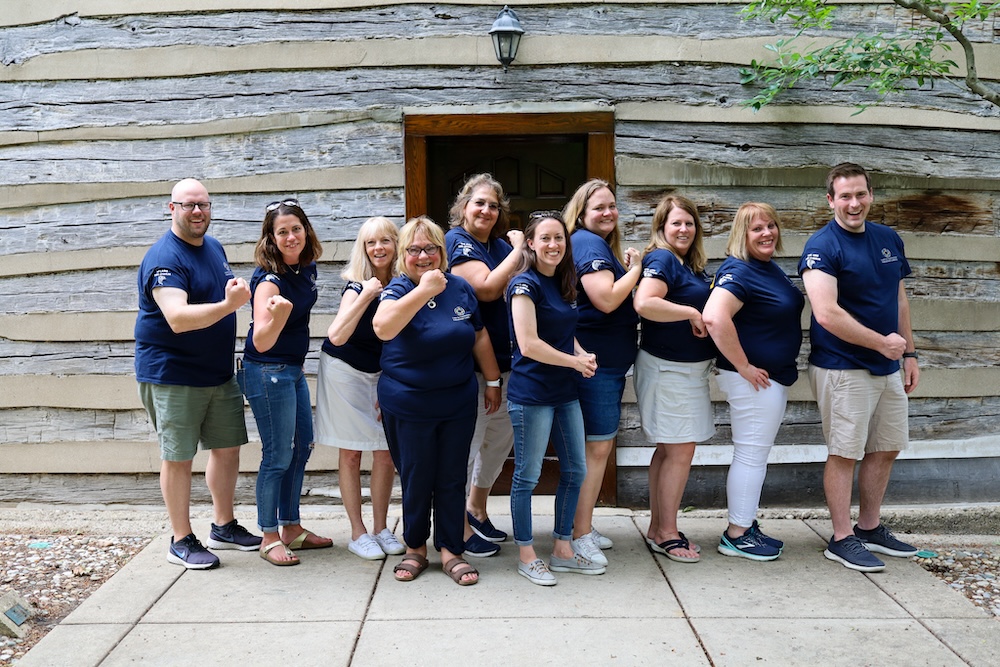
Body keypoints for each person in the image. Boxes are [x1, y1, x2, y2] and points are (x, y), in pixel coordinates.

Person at [799, 162, 920, 572]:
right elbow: (827, 313)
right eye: (845, 196)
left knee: (886, 447)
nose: (854, 203)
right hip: (842, 366)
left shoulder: (888, 239)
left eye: (861, 194)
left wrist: (909, 353)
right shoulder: (822, 247)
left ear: (871, 195)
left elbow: (899, 300)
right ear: (830, 200)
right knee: (844, 452)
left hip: (887, 365)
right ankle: (841, 537)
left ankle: (869, 527)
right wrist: (881, 343)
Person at [135, 178, 261, 570]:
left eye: (203, 205)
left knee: (226, 450)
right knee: (179, 457)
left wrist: (234, 293)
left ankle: (223, 526)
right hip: (173, 374)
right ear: (170, 208)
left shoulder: (213, 247)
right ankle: (180, 539)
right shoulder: (164, 258)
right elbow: (176, 318)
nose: (197, 212)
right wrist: (229, 304)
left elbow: (220, 293)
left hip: (217, 372)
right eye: (188, 205)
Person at [372, 216, 502, 586]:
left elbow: (478, 336)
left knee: (451, 476)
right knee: (417, 477)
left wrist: (492, 381)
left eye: (431, 248)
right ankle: (415, 548)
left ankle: (451, 550)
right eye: (414, 249)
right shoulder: (397, 290)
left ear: (443, 253)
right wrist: (424, 290)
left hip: (457, 400)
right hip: (408, 402)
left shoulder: (460, 288)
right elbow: (384, 327)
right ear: (403, 256)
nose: (424, 256)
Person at [703, 202, 805, 562]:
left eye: (771, 226)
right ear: (741, 235)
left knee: (754, 454)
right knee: (751, 454)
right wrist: (743, 365)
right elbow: (714, 318)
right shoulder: (739, 270)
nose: (767, 233)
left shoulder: (767, 268)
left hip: (769, 378)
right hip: (754, 381)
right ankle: (737, 534)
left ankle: (744, 525)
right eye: (757, 229)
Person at [506, 212, 601, 586]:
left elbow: (563, 334)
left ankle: (563, 548)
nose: (552, 245)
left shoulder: (564, 282)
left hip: (565, 392)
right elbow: (529, 344)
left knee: (576, 470)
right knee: (527, 476)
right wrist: (574, 362)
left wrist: (582, 354)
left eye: (559, 238)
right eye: (544, 238)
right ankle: (527, 554)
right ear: (530, 243)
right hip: (532, 395)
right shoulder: (523, 285)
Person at [240, 199, 331, 566]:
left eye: (296, 229)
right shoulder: (269, 280)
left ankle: (291, 526)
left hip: (291, 370)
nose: (291, 236)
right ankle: (269, 535)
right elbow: (261, 339)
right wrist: (279, 316)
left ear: (305, 230)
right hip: (266, 370)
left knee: (302, 447)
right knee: (277, 454)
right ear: (271, 238)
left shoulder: (305, 267)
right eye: (282, 232)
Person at [316, 216, 405, 561]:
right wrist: (367, 294)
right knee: (351, 452)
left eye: (386, 240)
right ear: (363, 249)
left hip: (382, 373)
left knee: (385, 452)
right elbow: (336, 335)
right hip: (345, 371)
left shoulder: (402, 284)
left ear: (397, 245)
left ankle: (381, 528)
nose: (379, 248)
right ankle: (357, 532)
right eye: (371, 243)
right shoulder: (357, 286)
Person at [445, 174, 524, 558]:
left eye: (494, 205)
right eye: (479, 203)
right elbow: (488, 288)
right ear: (463, 207)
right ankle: (455, 525)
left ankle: (476, 508)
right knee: (469, 445)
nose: (487, 211)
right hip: (473, 368)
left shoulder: (494, 245)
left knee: (497, 443)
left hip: (508, 363)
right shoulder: (456, 243)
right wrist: (521, 248)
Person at [632, 194, 715, 563]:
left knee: (669, 450)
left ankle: (658, 527)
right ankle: (667, 532)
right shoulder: (663, 258)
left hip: (684, 370)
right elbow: (645, 303)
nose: (683, 229)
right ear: (662, 228)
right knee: (680, 450)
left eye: (689, 223)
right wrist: (691, 314)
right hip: (669, 370)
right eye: (676, 223)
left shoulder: (687, 264)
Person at [563, 179, 641, 566]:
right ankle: (579, 535)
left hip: (605, 365)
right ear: (581, 214)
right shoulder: (587, 243)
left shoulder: (592, 244)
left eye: (612, 206)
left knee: (596, 448)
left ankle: (582, 524)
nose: (608, 212)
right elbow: (607, 300)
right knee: (595, 450)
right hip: (595, 367)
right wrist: (638, 269)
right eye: (599, 208)